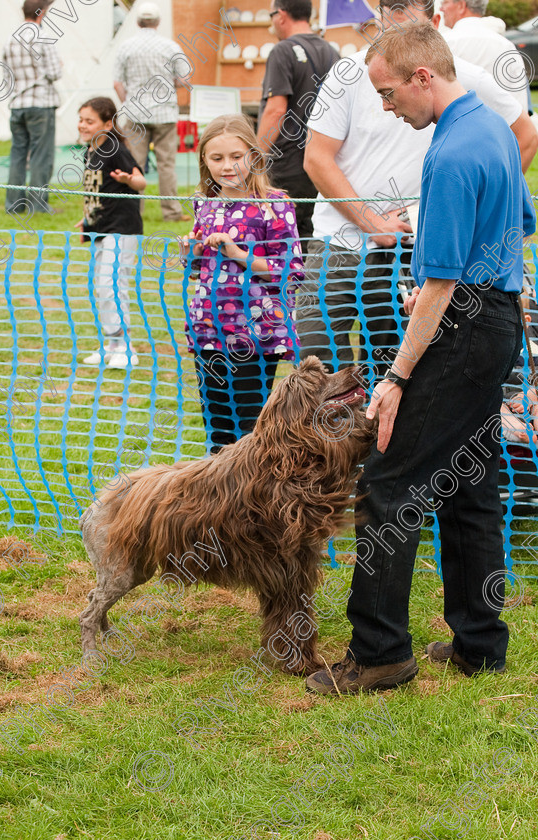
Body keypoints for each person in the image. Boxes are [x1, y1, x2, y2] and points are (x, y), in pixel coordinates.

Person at [306, 22, 536, 695]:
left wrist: (397, 376)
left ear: (422, 77)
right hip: (492, 321)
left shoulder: (449, 153)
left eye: (386, 93)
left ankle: (379, 653)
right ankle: (480, 644)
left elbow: (435, 287)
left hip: (461, 327)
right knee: (471, 483)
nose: (384, 107)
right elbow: (518, 224)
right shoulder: (493, 130)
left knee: (388, 483)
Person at [298, 0, 538, 377]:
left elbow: (523, 136)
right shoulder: (349, 70)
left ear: (434, 20)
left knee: (395, 372)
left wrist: (458, 215)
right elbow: (316, 157)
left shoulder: (461, 78)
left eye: (405, 9)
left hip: (411, 256)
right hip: (337, 242)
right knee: (317, 371)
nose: (394, 20)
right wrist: (371, 222)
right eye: (388, 8)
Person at [182, 114, 304, 454]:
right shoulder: (204, 204)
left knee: (249, 431)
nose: (227, 166)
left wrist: (237, 253)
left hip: (255, 334)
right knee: (217, 428)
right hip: (209, 330)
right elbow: (197, 270)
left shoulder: (273, 204)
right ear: (204, 161)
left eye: (236, 156)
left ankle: (249, 501)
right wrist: (191, 254)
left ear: (253, 155)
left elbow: (289, 271)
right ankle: (217, 500)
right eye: (217, 158)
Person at [257, 0, 339, 248]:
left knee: (281, 241)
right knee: (311, 237)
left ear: (281, 15)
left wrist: (255, 157)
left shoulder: (282, 51)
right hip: (323, 162)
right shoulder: (332, 51)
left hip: (286, 164)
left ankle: (288, 287)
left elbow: (275, 110)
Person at [77, 97, 146, 370]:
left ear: (107, 124)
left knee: (112, 285)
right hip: (100, 230)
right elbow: (95, 192)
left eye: (89, 121)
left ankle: (126, 347)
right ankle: (111, 344)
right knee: (101, 287)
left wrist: (130, 180)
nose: (82, 125)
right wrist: (87, 218)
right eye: (81, 119)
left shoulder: (114, 149)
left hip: (122, 229)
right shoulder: (89, 151)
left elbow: (141, 181)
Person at [113, 1, 190, 222]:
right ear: (158, 22)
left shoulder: (126, 46)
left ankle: (134, 211)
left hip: (136, 114)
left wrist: (128, 102)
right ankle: (172, 212)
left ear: (137, 22)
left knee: (134, 166)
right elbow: (185, 79)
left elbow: (117, 83)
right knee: (167, 164)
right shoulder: (170, 46)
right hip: (165, 113)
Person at [3, 0, 62, 215]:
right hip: (41, 104)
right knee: (41, 155)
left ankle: (13, 204)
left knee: (18, 154)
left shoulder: (10, 39)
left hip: (17, 104)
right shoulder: (43, 36)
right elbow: (55, 72)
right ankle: (38, 206)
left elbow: (6, 76)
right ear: (42, 13)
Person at [441, 0, 529, 112]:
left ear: (461, 5)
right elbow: (520, 105)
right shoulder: (506, 46)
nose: (441, 8)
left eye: (445, 2)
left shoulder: (445, 43)